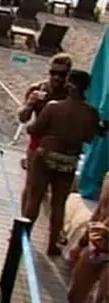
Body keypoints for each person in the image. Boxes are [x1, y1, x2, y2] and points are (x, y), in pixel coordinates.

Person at [24, 68, 101, 255]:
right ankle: (52, 245)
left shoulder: (53, 107)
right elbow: (89, 138)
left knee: (34, 198)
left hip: (46, 155)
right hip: (69, 160)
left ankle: (22, 237)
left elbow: (33, 129)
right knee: (59, 204)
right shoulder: (91, 113)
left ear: (70, 85)